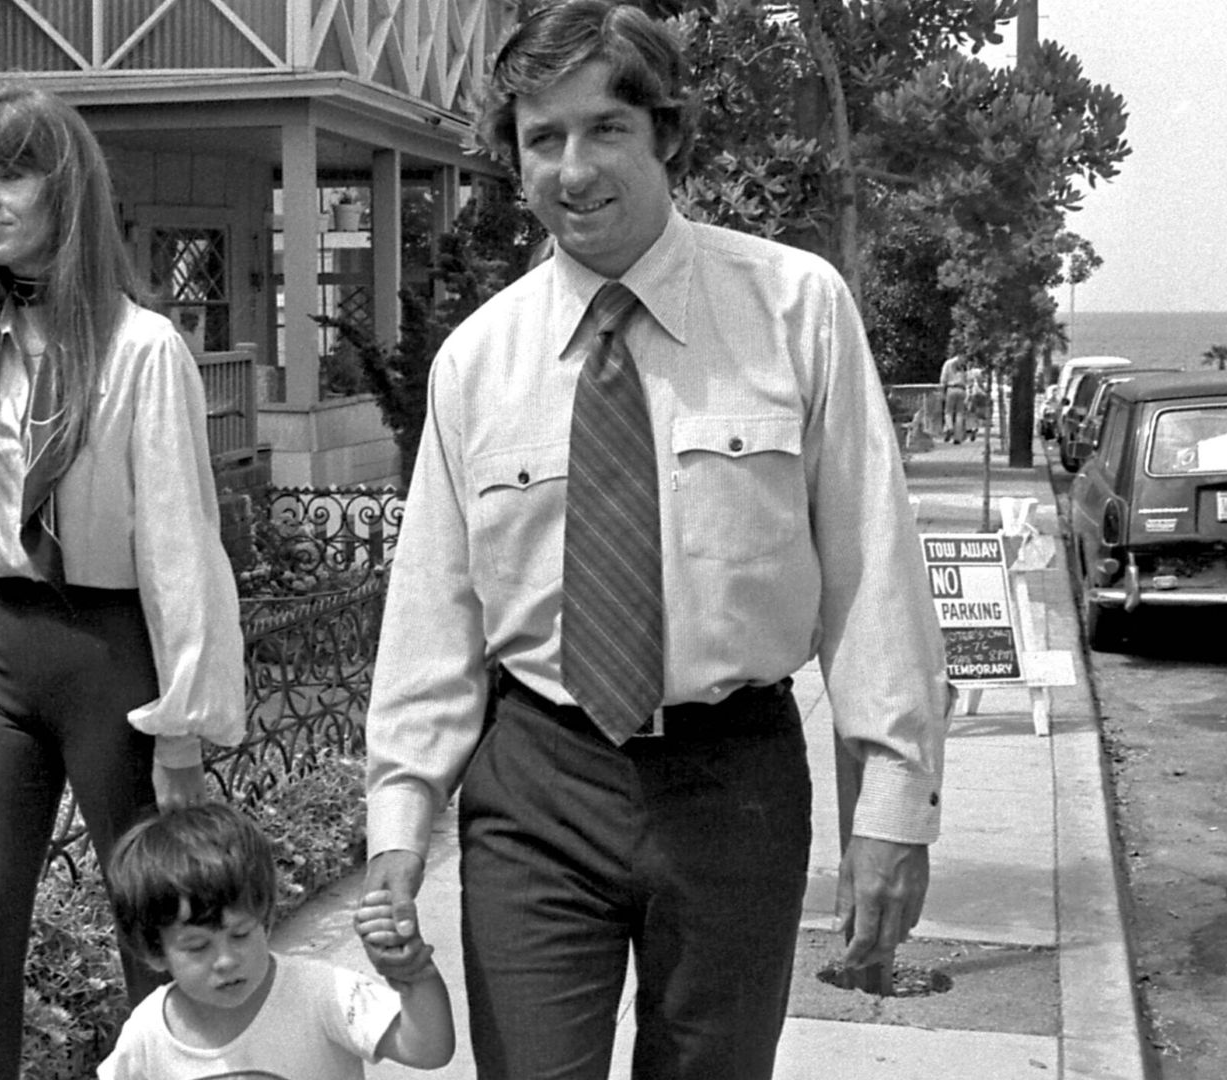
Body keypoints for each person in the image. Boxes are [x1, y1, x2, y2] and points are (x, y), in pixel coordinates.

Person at [356, 3, 951, 1078]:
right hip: (539, 781)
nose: (572, 170)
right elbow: (432, 619)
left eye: (605, 130)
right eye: (543, 140)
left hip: (735, 785)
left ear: (666, 136)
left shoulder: (794, 309)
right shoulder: (478, 364)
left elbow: (872, 574)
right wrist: (397, 829)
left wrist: (895, 803)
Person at [0, 84, 247, 1078]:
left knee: (154, 924)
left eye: (10, 174)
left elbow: (180, 543)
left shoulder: (143, 350)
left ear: (67, 188)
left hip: (114, 661)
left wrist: (182, 726)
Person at [98, 802, 455, 1078]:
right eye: (197, 947)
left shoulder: (320, 993)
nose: (226, 960)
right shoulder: (148, 1035)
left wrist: (413, 973)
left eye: (240, 934)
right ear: (155, 951)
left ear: (265, 920)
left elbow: (428, 1048)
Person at [939, 353, 969, 441]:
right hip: (961, 389)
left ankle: (949, 427)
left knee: (948, 412)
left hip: (951, 389)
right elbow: (967, 378)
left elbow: (943, 379)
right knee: (960, 413)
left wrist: (942, 390)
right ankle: (957, 438)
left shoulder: (947, 363)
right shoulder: (964, 364)